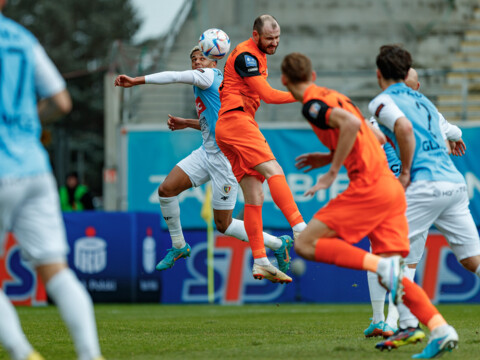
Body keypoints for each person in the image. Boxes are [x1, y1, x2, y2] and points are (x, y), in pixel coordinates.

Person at [281, 51, 458, 359]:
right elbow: (373, 133)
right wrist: (328, 156)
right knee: (397, 274)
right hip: (390, 189)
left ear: (284, 80)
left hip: (370, 187)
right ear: (314, 75)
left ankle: (381, 268)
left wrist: (332, 171)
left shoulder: (312, 104)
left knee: (306, 244)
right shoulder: (334, 96)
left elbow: (351, 125)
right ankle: (440, 329)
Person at [114, 45, 293, 274]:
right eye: (193, 59)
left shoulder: (208, 76)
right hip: (206, 152)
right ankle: (179, 245)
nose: (197, 62)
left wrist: (135, 81)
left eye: (202, 58)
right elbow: (215, 124)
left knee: (224, 225)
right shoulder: (209, 84)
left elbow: (174, 76)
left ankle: (279, 244)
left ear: (214, 62)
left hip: (226, 159)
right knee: (166, 190)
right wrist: (187, 123)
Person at [0, 1, 104, 359]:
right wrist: (28, 122)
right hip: (34, 167)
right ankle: (90, 355)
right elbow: (61, 101)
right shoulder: (22, 38)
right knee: (57, 272)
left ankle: (22, 352)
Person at [367, 45, 479, 354]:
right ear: (408, 74)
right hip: (453, 186)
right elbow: (451, 129)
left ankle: (407, 326)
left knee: (386, 256)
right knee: (473, 260)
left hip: (422, 186)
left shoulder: (383, 101)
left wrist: (404, 171)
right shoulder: (427, 103)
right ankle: (402, 323)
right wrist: (454, 138)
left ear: (379, 74)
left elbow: (399, 128)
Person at [215, 15, 307, 284]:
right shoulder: (247, 55)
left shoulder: (256, 54)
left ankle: (260, 260)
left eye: (277, 38)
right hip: (236, 121)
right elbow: (267, 95)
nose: (274, 43)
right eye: (269, 38)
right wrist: (303, 94)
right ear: (255, 35)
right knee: (273, 169)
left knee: (255, 195)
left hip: (230, 126)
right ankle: (300, 227)